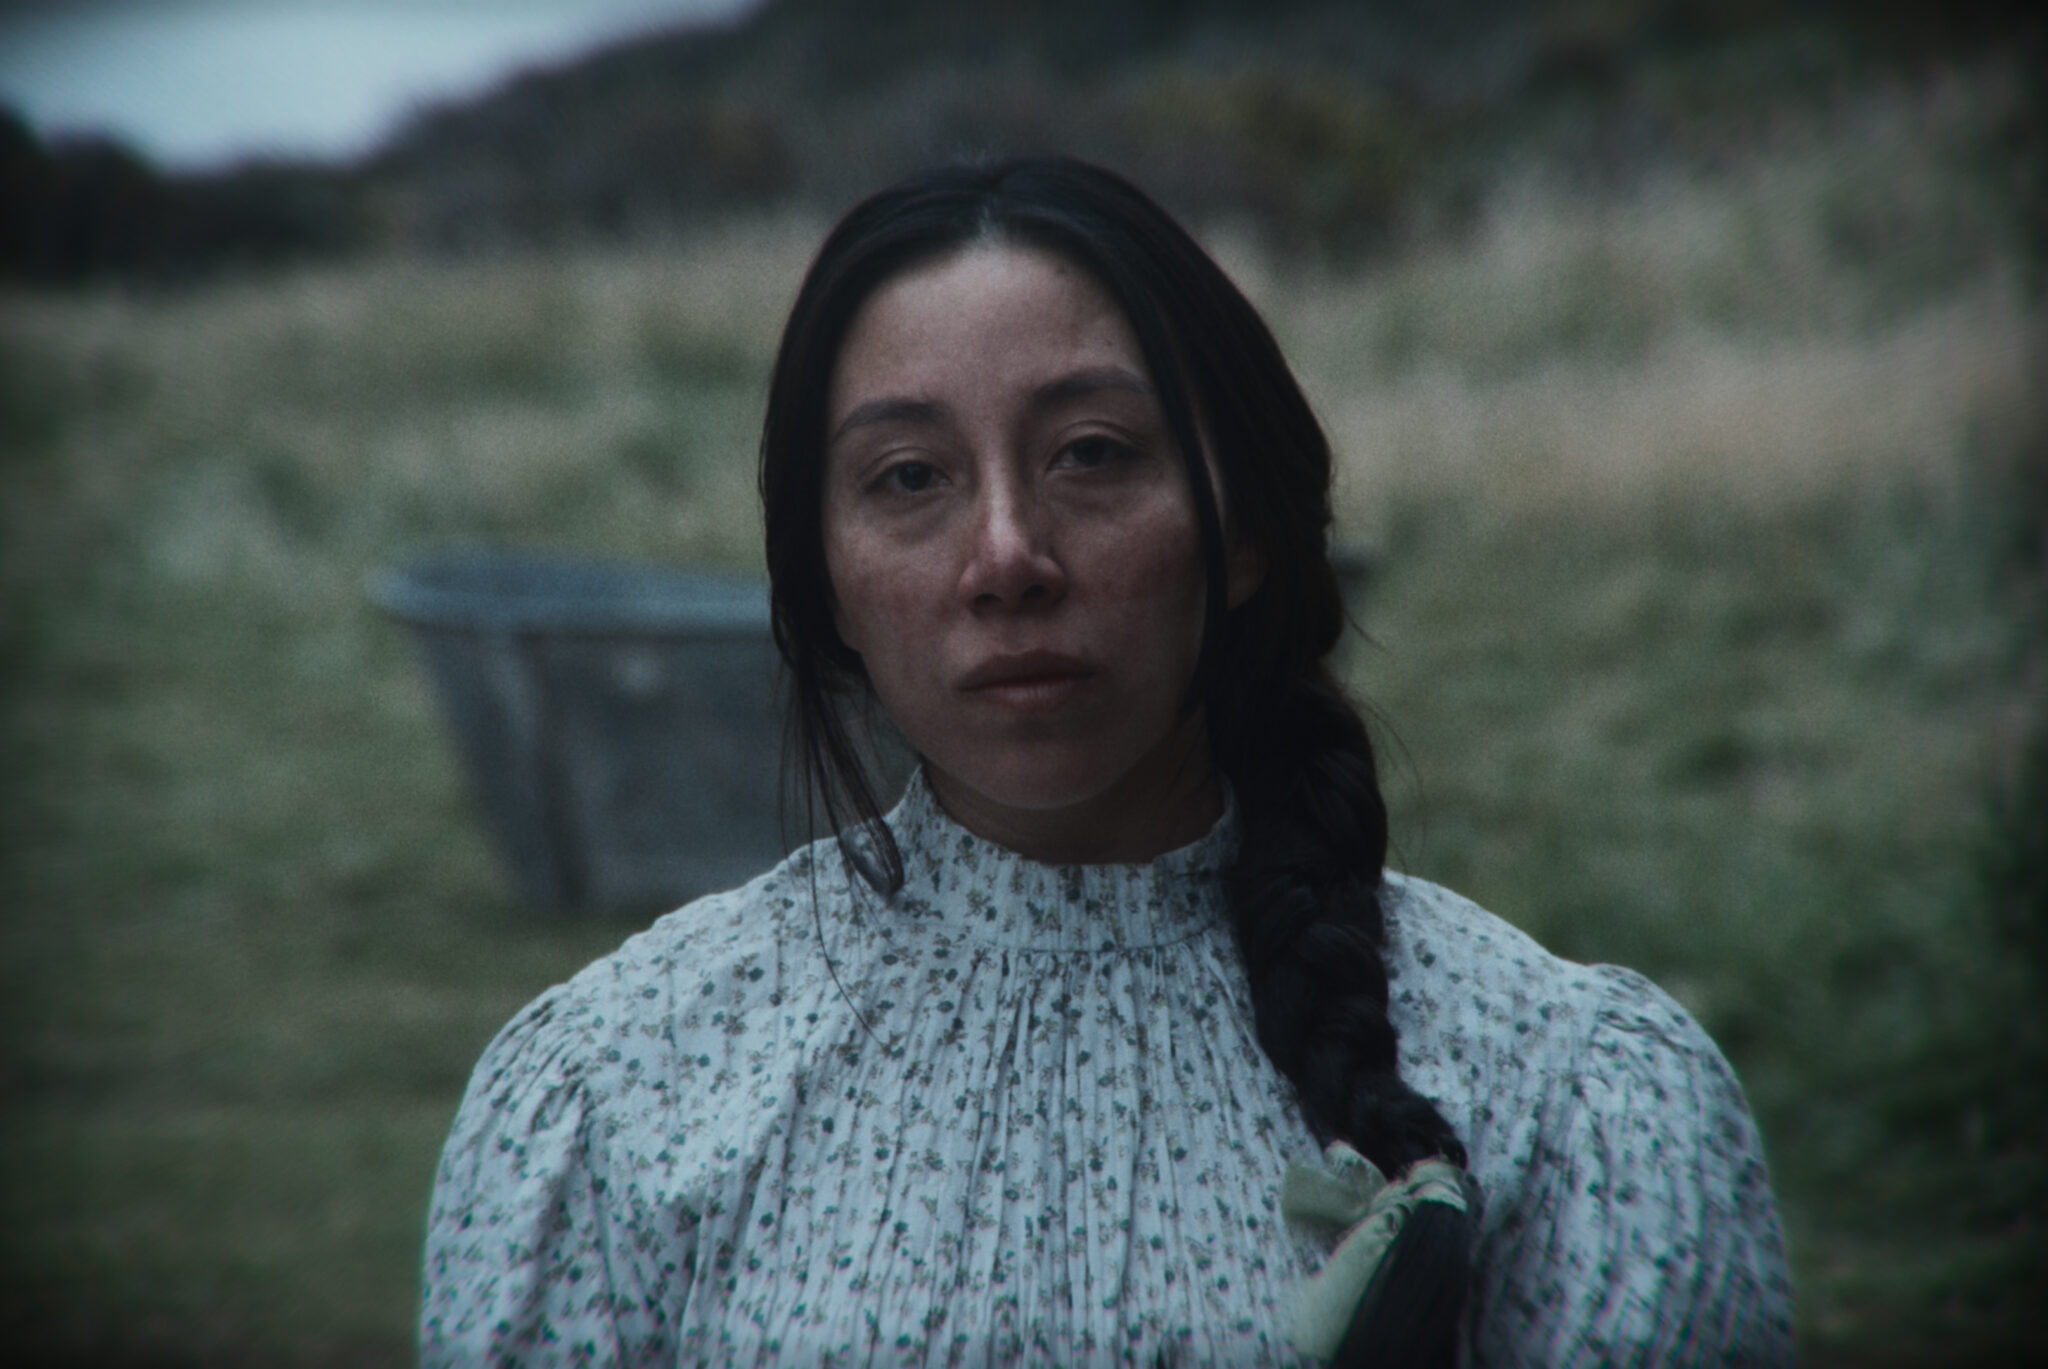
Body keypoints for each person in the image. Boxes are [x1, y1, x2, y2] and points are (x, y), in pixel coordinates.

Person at [419, 156, 1794, 1367]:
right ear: (826, 582)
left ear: (1243, 530)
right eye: (909, 476)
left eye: (1090, 453)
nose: (1007, 555)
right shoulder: (623, 1093)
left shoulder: (1564, 1098)